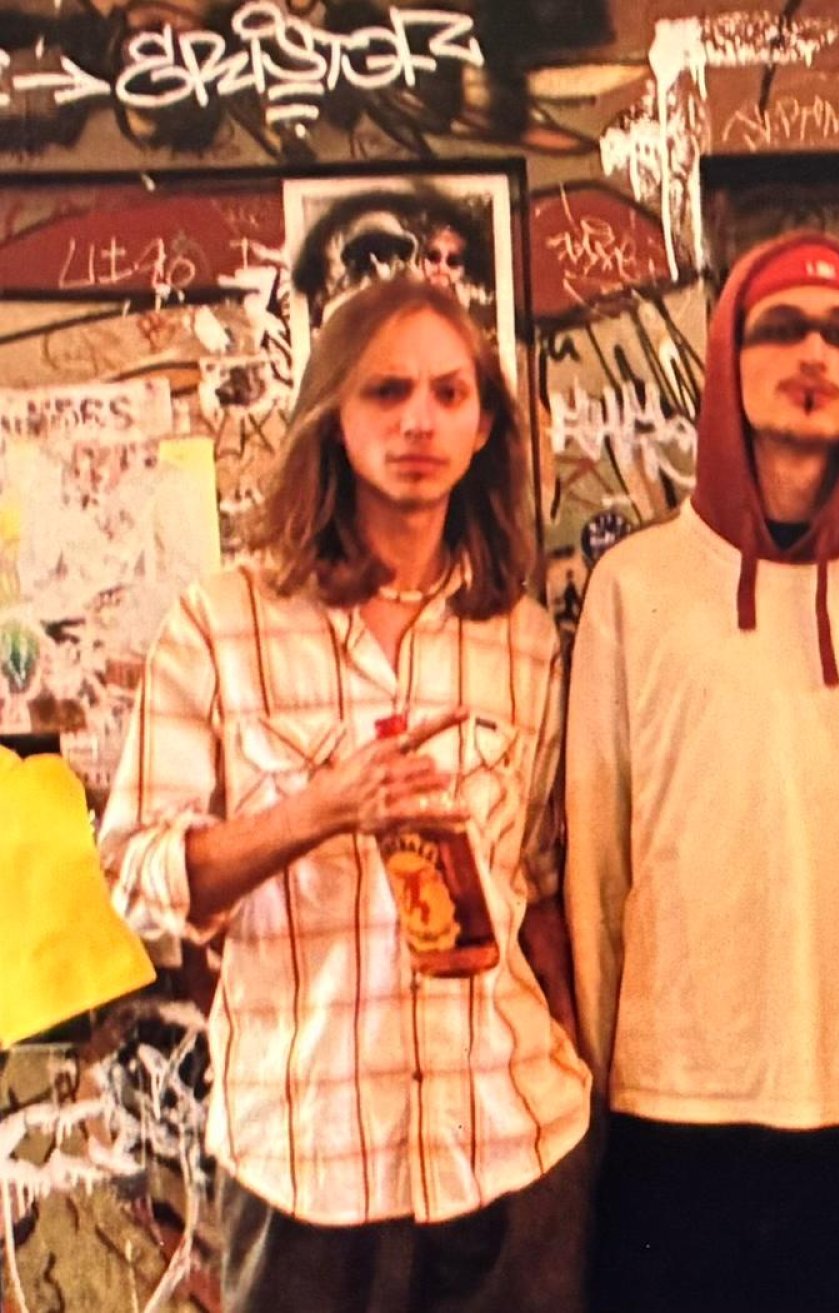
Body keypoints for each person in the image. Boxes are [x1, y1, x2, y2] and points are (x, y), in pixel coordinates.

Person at [100, 277, 592, 1312]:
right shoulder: (223, 624)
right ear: (332, 414)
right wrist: (319, 810)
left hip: (508, 1143)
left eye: (448, 393)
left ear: (483, 427)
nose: (419, 420)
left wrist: (582, 1053)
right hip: (308, 1163)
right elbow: (137, 877)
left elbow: (539, 884)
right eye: (386, 391)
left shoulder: (520, 637)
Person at [566, 231, 839, 1312]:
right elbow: (596, 865)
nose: (813, 354)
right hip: (676, 1103)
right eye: (783, 328)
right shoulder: (635, 588)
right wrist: (603, 1094)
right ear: (729, 358)